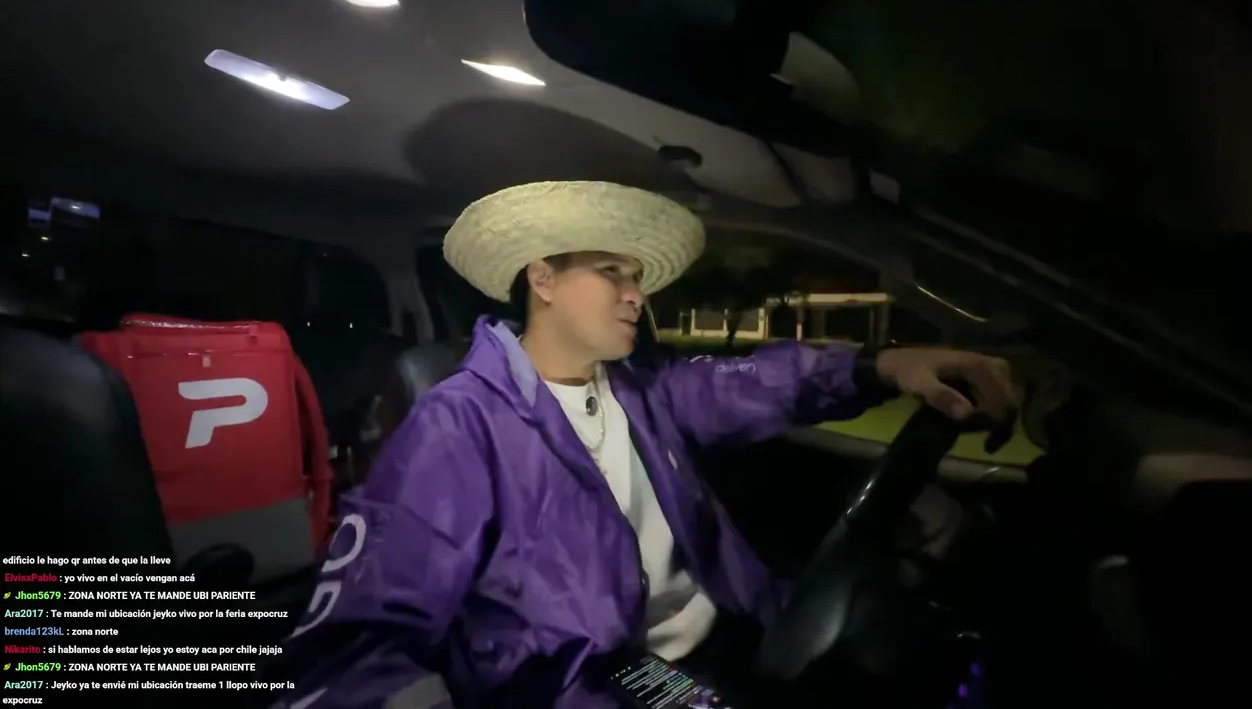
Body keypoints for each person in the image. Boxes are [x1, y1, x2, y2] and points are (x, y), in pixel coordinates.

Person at [271, 181, 1019, 709]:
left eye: (636, 277)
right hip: (612, 678)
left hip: (742, 629)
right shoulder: (458, 427)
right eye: (611, 273)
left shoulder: (640, 388)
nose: (637, 294)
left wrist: (881, 366)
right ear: (543, 279)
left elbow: (751, 384)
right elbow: (356, 640)